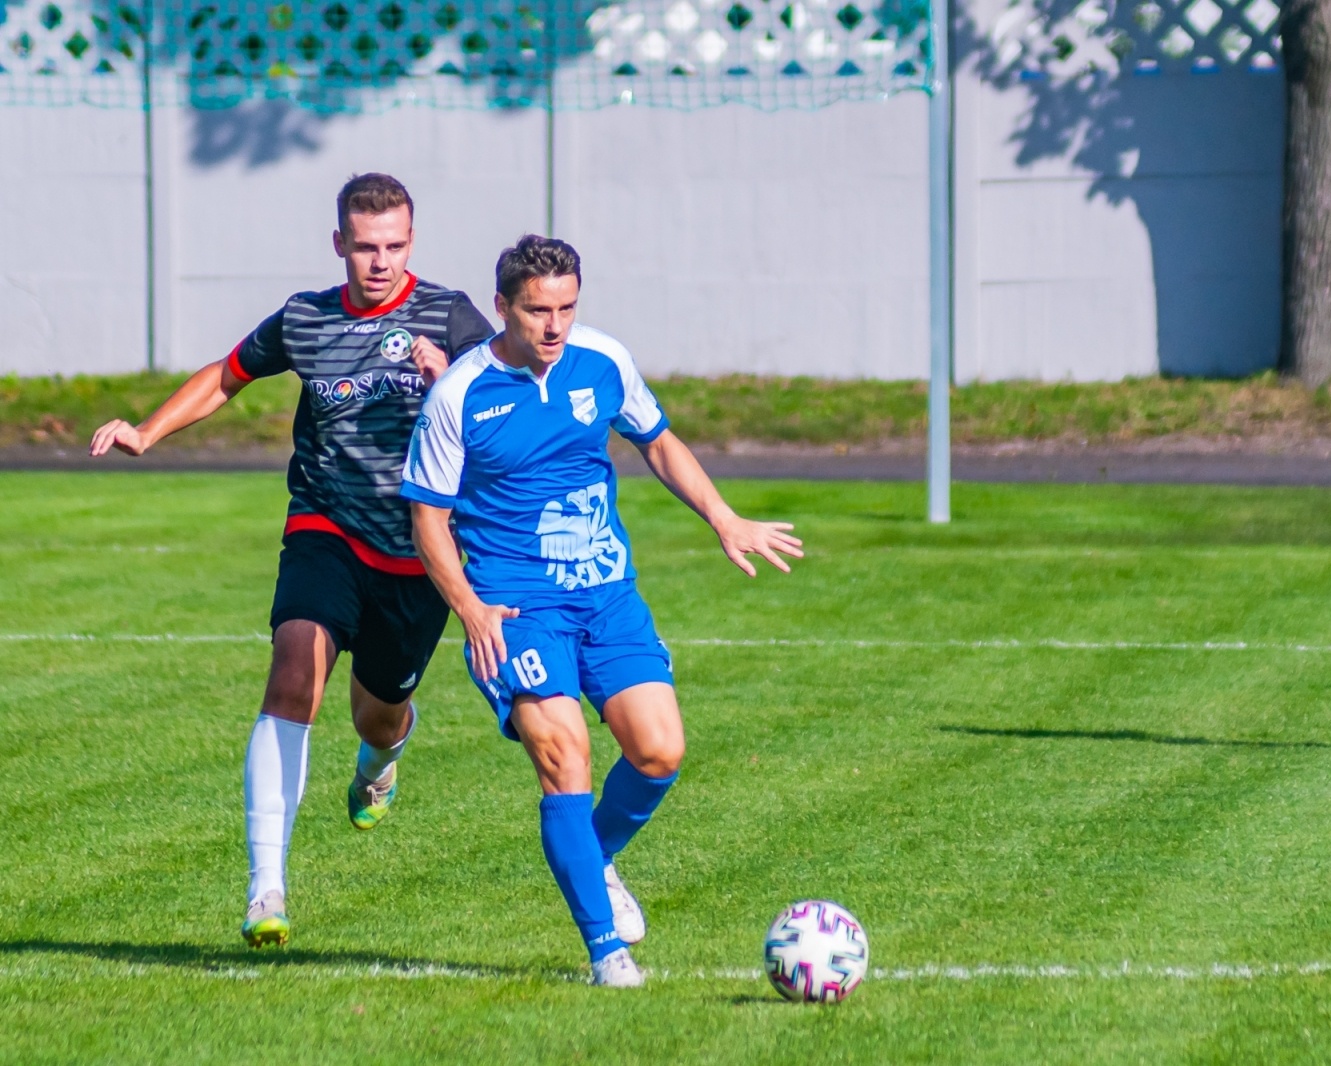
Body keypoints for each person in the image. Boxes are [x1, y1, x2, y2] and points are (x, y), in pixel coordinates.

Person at [89, 173, 495, 944]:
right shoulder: (306, 319)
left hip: (419, 547)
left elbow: (508, 402)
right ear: (339, 243)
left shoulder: (450, 314)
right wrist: (147, 430)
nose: (380, 261)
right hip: (326, 524)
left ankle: (380, 762)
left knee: (379, 711)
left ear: (412, 243)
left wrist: (457, 387)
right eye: (366, 246)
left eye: (395, 246)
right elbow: (225, 375)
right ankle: (265, 890)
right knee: (294, 672)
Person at [401, 235, 802, 987]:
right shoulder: (460, 393)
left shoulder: (604, 360)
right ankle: (604, 952)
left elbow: (657, 441)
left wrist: (723, 517)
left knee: (659, 753)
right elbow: (427, 520)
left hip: (607, 595)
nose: (554, 326)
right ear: (502, 308)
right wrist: (471, 611)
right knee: (565, 755)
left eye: (566, 308)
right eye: (536, 311)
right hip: (517, 609)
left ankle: (595, 854)